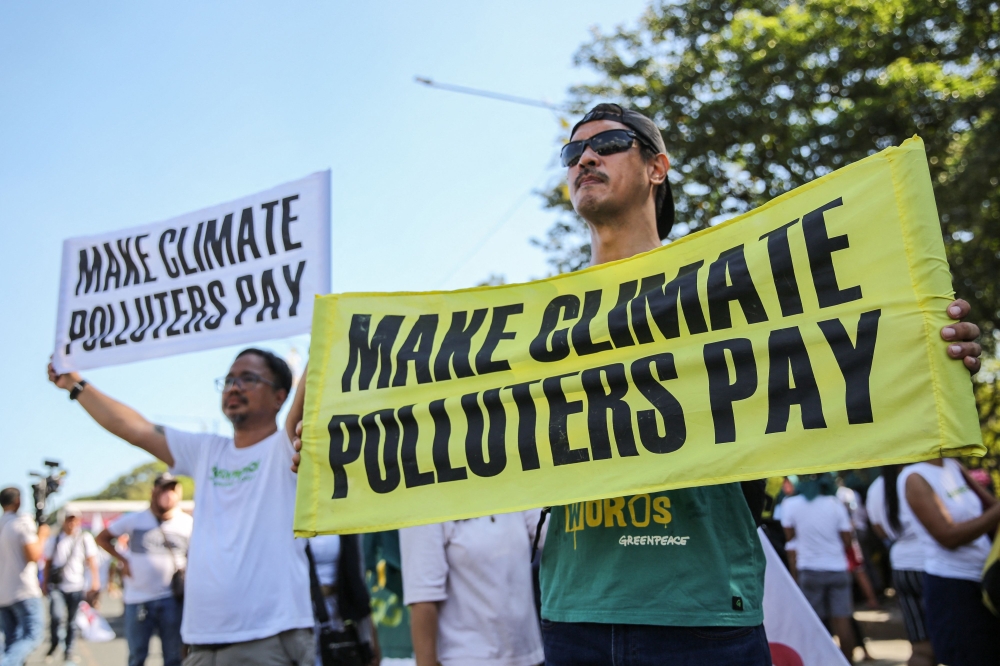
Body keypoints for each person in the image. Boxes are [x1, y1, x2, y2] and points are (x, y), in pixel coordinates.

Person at [291, 103, 982, 664]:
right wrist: (333, 438)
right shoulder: (533, 322)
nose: (584, 157)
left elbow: (842, 351)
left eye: (609, 142)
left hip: (700, 609)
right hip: (573, 615)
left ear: (657, 167)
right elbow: (433, 419)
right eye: (572, 152)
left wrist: (924, 346)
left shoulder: (726, 289)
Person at [47, 347, 315, 665]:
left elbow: (311, 386)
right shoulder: (206, 451)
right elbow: (137, 428)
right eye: (229, 379)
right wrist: (75, 385)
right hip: (201, 643)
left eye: (249, 378)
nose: (234, 386)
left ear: (280, 396)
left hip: (268, 638)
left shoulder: (286, 447)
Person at [400, 512, 546, 666]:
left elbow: (552, 532)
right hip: (465, 658)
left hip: (529, 656)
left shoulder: (510, 489)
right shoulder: (424, 503)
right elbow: (423, 599)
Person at [902, 458, 1000, 666]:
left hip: (984, 579)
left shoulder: (952, 466)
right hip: (953, 588)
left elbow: (991, 507)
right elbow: (948, 537)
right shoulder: (914, 477)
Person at [95, 473, 192, 666]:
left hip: (172, 598)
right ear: (153, 492)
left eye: (172, 489)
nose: (168, 494)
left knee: (174, 656)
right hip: (139, 599)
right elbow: (102, 538)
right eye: (163, 489)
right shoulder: (135, 519)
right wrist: (123, 560)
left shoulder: (187, 523)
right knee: (137, 655)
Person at [781, 474, 856, 661]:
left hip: (809, 570)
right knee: (842, 621)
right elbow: (847, 540)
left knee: (813, 624)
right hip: (838, 569)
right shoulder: (834, 503)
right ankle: (846, 662)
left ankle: (818, 661)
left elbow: (789, 537)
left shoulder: (791, 504)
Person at [866, 466, 933, 666]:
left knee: (920, 647)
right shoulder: (919, 476)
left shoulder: (875, 488)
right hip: (932, 564)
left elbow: (878, 528)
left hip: (901, 565)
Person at [306, 534, 380, 666]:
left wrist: (369, 636)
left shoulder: (345, 525)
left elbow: (358, 581)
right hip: (302, 620)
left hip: (341, 618)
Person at [42, 507, 100, 663]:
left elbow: (92, 561)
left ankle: (68, 651)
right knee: (56, 616)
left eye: (75, 519)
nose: (72, 522)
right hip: (58, 586)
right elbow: (47, 563)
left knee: (72, 621)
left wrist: (95, 581)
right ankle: (54, 644)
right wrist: (44, 582)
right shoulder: (55, 539)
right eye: (69, 519)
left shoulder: (84, 538)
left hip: (77, 585)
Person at [0, 487, 49, 666]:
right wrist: (42, 535)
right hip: (23, 590)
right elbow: (34, 555)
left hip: (3, 594)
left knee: (12, 641)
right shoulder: (21, 522)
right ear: (18, 501)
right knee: (33, 635)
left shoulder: (2, 523)